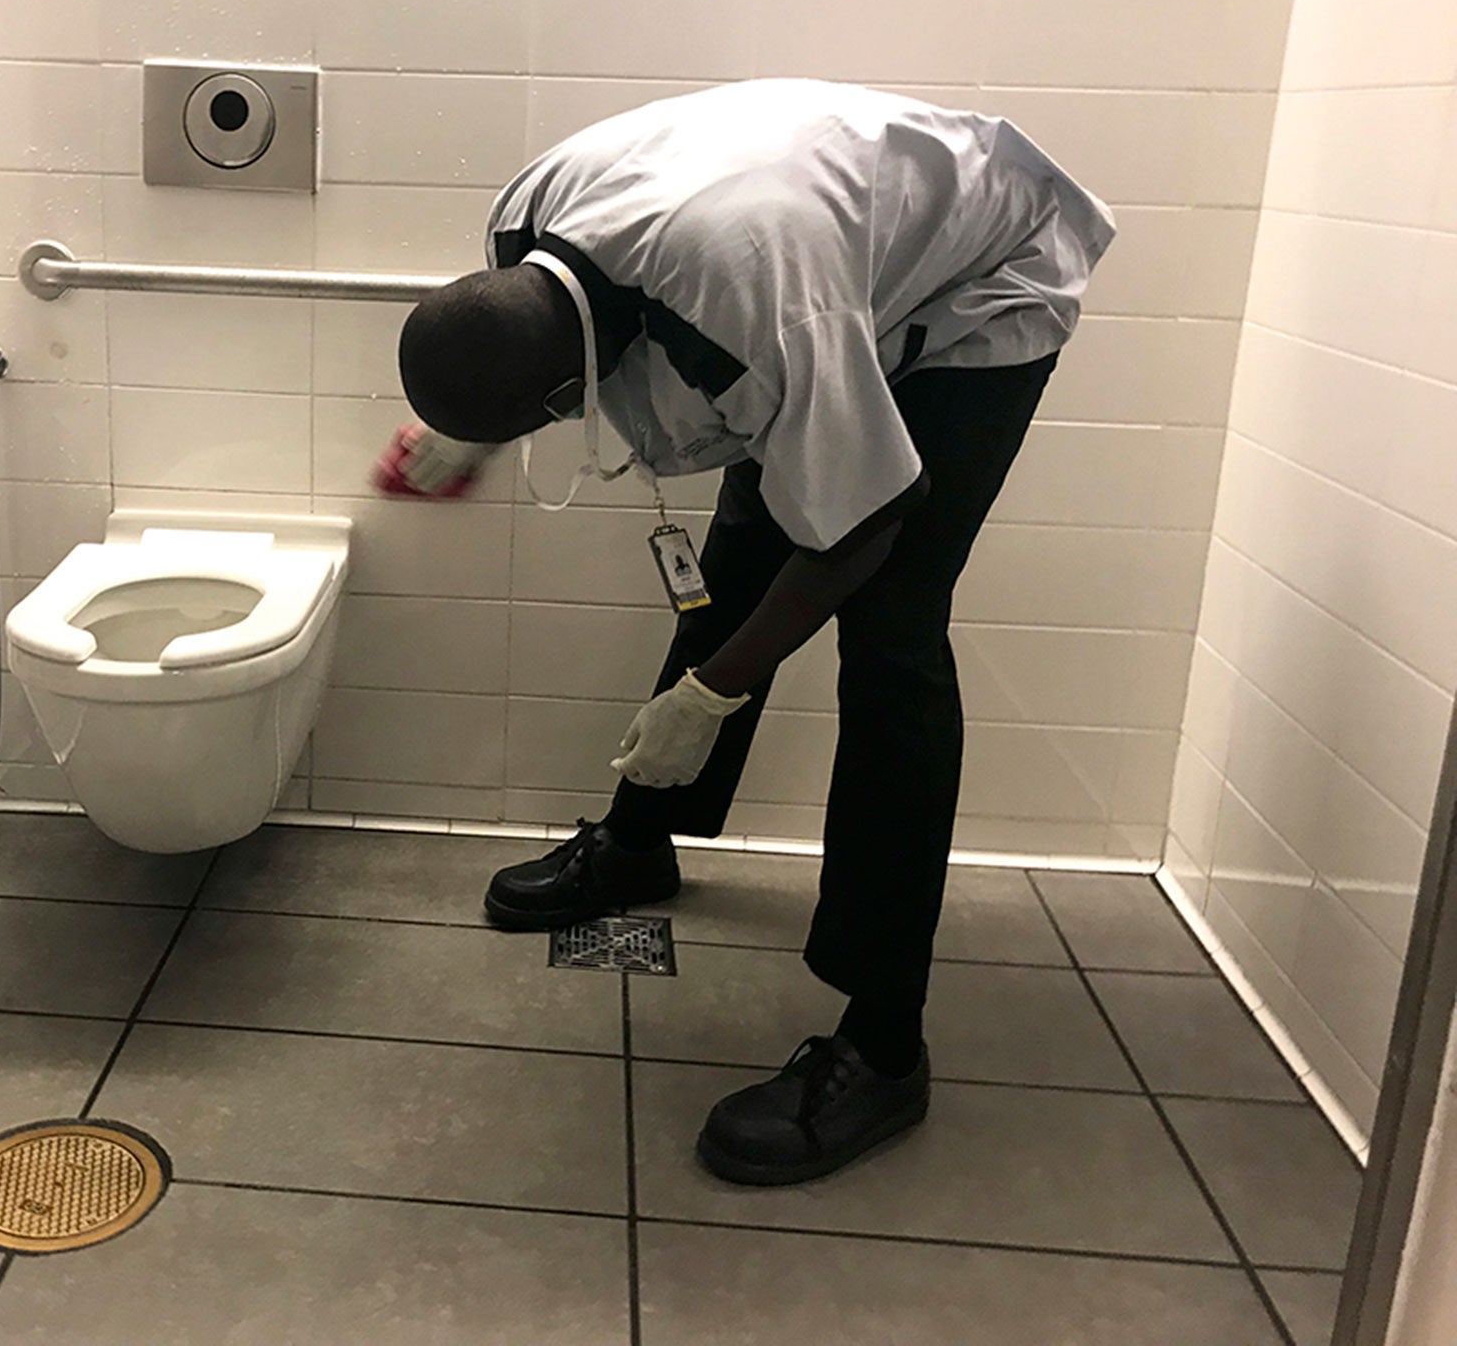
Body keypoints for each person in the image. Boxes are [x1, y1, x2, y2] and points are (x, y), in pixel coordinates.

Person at [377, 80, 1115, 1186]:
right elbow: (525, 347)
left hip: (981, 283)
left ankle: (882, 1044)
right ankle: (639, 846)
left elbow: (860, 523)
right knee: (736, 563)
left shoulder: (760, 309)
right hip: (821, 242)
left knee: (890, 632)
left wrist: (710, 692)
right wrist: (465, 431)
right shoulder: (518, 224)